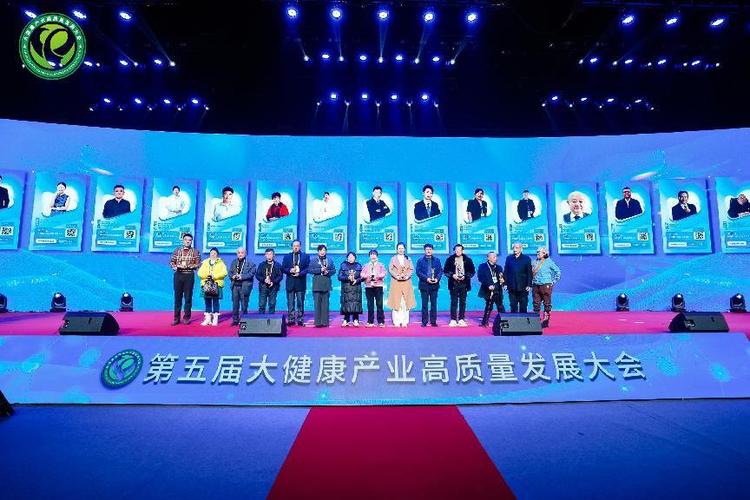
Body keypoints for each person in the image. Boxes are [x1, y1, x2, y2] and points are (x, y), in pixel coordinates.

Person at [169, 233, 201, 325]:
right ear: (183, 241)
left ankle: (186, 317)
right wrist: (175, 266)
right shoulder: (177, 250)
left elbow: (198, 264)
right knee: (177, 297)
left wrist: (190, 266)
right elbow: (172, 262)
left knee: (188, 297)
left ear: (191, 241)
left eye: (189, 240)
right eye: (186, 240)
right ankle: (176, 318)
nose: (188, 241)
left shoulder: (195, 251)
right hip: (178, 275)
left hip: (189, 275)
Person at [443, 244, 475, 327]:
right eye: (456, 250)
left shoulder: (468, 260)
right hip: (453, 283)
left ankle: (461, 319)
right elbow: (445, 271)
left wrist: (465, 276)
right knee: (453, 302)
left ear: (462, 251)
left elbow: (472, 271)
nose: (458, 251)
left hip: (464, 284)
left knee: (463, 302)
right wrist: (452, 275)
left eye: (459, 250)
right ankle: (453, 319)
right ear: (454, 250)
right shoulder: (450, 259)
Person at [387, 242, 416, 327]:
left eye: (402, 248)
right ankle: (396, 321)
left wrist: (406, 276)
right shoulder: (393, 259)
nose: (401, 250)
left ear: (404, 249)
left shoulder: (408, 258)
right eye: (399, 248)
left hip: (406, 282)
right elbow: (390, 269)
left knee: (405, 302)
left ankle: (404, 321)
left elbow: (411, 269)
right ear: (397, 249)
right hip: (396, 282)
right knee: (396, 302)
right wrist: (397, 276)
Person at [197, 247, 228, 327]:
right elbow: (199, 273)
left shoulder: (221, 263)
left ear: (217, 255)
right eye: (211, 253)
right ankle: (208, 319)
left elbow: (224, 273)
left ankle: (215, 319)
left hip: (216, 284)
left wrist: (214, 276)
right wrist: (207, 276)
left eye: (214, 253)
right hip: (206, 284)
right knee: (207, 301)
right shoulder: (205, 262)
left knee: (215, 302)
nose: (213, 255)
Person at [282, 240, 310, 326]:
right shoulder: (287, 257)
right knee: (290, 302)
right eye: (294, 246)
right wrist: (290, 270)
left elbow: (308, 268)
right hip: (290, 283)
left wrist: (300, 273)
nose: (296, 247)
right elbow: (283, 268)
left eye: (297, 246)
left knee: (300, 302)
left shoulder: (305, 256)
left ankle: (300, 319)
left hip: (300, 282)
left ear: (300, 246)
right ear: (292, 247)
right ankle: (291, 319)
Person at [532, 246, 561, 328]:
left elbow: (558, 271)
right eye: (537, 252)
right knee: (536, 303)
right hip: (536, 285)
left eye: (539, 252)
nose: (537, 253)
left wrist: (553, 281)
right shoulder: (534, 262)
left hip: (545, 285)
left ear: (544, 253)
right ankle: (536, 321)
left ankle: (545, 321)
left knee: (547, 303)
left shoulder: (549, 262)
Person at [309, 244, 336, 327]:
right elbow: (310, 270)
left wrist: (328, 272)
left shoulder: (329, 260)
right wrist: (320, 270)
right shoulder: (313, 260)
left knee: (325, 304)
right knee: (317, 304)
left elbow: (334, 270)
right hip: (317, 285)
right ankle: (317, 322)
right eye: (321, 250)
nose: (322, 252)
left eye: (324, 250)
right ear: (318, 251)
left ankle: (325, 322)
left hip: (326, 284)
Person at [416, 243, 443, 327]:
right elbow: (418, 272)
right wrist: (426, 279)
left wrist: (437, 279)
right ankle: (424, 321)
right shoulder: (420, 260)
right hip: (424, 285)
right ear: (424, 250)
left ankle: (433, 321)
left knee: (434, 304)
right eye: (427, 249)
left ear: (432, 250)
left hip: (434, 285)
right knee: (424, 304)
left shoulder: (437, 260)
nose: (428, 251)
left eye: (430, 249)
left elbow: (440, 271)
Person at [229, 247, 256, 326]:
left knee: (244, 305)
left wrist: (242, 277)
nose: (240, 254)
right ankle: (235, 320)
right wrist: (233, 276)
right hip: (235, 286)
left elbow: (252, 273)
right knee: (235, 304)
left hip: (244, 286)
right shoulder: (234, 262)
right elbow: (230, 272)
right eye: (239, 253)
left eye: (242, 253)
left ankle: (244, 320)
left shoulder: (250, 263)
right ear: (237, 254)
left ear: (245, 253)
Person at [477, 251, 505, 327]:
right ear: (488, 258)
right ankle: (484, 322)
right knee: (489, 306)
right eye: (494, 257)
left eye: (496, 257)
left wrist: (503, 281)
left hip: (498, 289)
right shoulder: (483, 266)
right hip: (488, 289)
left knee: (500, 306)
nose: (496, 258)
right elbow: (480, 277)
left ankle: (504, 322)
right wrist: (488, 285)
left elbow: (502, 277)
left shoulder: (499, 267)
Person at [504, 242, 533, 313]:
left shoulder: (526, 259)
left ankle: (523, 319)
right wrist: (505, 284)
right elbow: (506, 272)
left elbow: (529, 273)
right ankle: (514, 320)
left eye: (516, 248)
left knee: (523, 305)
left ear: (521, 249)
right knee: (513, 305)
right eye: (513, 248)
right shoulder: (509, 258)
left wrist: (529, 285)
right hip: (512, 286)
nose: (514, 249)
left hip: (523, 287)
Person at [361, 249, 387, 327]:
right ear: (369, 256)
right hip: (368, 286)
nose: (373, 256)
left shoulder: (381, 265)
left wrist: (377, 276)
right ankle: (370, 321)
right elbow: (362, 274)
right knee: (370, 304)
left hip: (378, 286)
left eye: (374, 254)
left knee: (379, 304)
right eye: (371, 254)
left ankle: (381, 321)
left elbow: (384, 273)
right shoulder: (366, 266)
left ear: (377, 256)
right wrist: (367, 276)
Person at [338, 252, 363, 326]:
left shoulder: (358, 266)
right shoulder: (343, 265)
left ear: (355, 258)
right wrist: (347, 278)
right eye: (349, 257)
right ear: (347, 258)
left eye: (352, 257)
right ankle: (346, 319)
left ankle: (356, 319)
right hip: (346, 288)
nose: (351, 258)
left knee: (356, 303)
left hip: (356, 288)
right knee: (346, 303)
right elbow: (339, 277)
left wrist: (356, 280)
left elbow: (362, 277)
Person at [256, 248, 283, 313]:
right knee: (262, 304)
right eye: (267, 254)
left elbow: (280, 276)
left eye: (270, 254)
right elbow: (257, 275)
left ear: (274, 255)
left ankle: (271, 318)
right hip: (263, 286)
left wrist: (273, 282)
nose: (269, 256)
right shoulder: (261, 265)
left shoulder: (277, 265)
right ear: (265, 255)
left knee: (272, 304)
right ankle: (261, 317)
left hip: (274, 287)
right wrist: (264, 280)